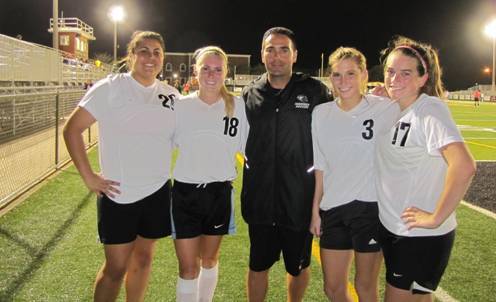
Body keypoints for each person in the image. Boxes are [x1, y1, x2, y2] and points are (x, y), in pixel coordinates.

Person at [63, 31, 180, 302]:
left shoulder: (171, 95)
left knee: (144, 259)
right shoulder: (110, 87)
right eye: (143, 51)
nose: (150, 57)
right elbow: (72, 130)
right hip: (118, 193)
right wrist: (89, 176)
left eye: (156, 52)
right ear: (131, 56)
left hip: (158, 191)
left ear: (163, 59)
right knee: (115, 268)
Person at [376, 36, 476, 302]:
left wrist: (434, 218)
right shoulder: (396, 108)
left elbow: (464, 165)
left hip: (417, 235)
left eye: (405, 73)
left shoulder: (428, 109)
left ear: (423, 78)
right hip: (399, 230)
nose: (394, 79)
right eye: (390, 71)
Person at [242, 27, 332, 302]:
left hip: (299, 199)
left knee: (298, 266)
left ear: (294, 55)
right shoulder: (250, 93)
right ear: (262, 54)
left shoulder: (315, 91)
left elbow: (341, 122)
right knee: (258, 266)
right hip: (260, 200)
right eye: (270, 49)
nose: (276, 56)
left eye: (284, 50)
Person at [310, 47, 399, 301]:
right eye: (337, 75)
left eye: (350, 74)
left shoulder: (386, 108)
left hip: (370, 209)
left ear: (363, 74)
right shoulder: (321, 114)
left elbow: (417, 104)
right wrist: (315, 210)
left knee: (365, 287)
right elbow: (320, 165)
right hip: (333, 208)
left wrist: (390, 91)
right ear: (330, 78)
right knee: (333, 288)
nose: (343, 81)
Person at [171, 46, 248, 302]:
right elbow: (157, 144)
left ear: (226, 71)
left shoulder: (238, 106)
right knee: (187, 267)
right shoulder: (180, 106)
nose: (212, 74)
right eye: (206, 68)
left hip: (219, 193)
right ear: (196, 71)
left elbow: (250, 150)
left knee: (210, 259)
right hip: (184, 193)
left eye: (218, 69)